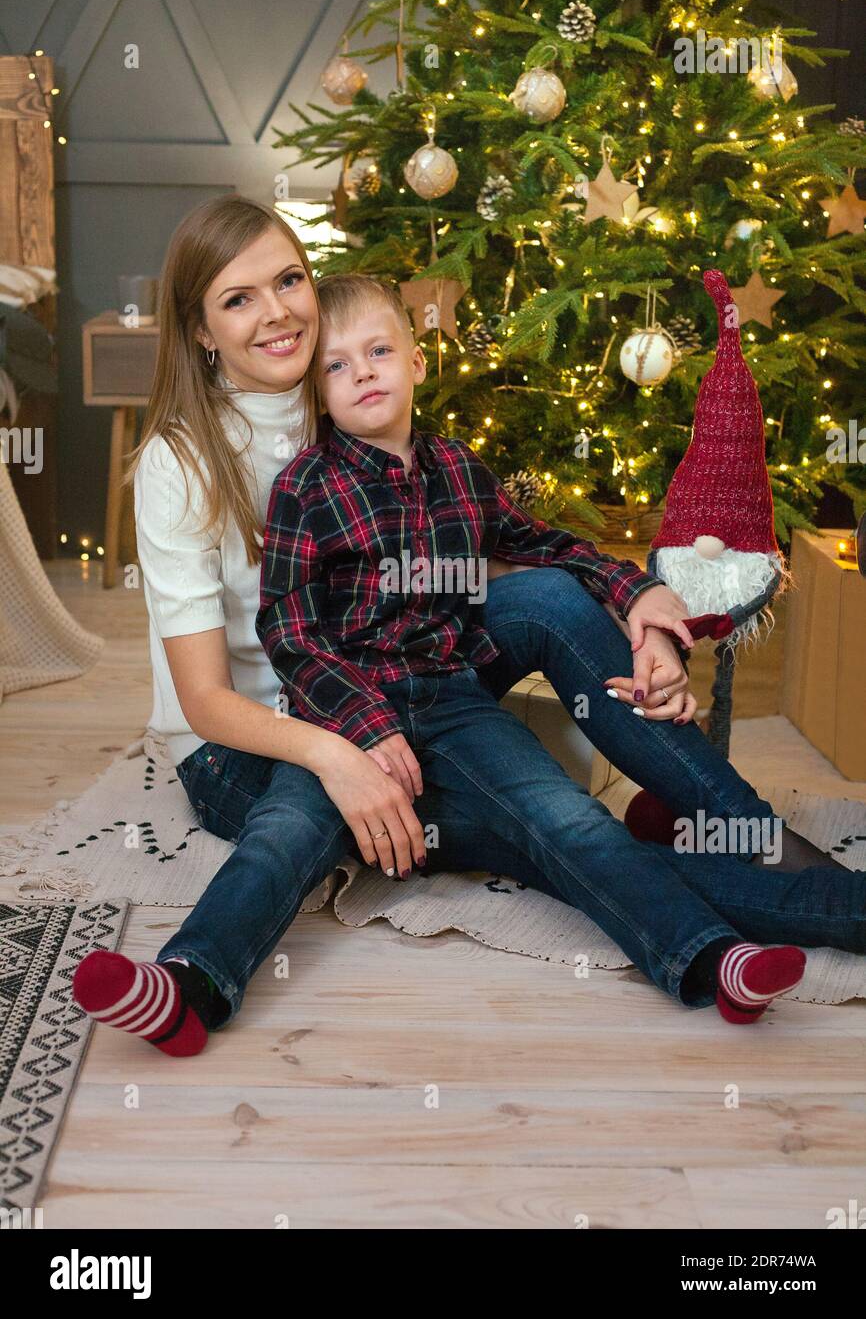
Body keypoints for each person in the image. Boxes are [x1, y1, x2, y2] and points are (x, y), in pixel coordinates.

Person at [71, 197, 848, 1056]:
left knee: (552, 608)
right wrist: (344, 755)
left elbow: (519, 536)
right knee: (550, 830)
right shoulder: (184, 463)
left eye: (290, 280)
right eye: (238, 299)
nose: (279, 313)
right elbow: (215, 694)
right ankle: (767, 934)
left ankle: (733, 825)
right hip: (262, 740)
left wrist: (635, 599)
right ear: (203, 330)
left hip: (412, 678)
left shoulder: (334, 397)